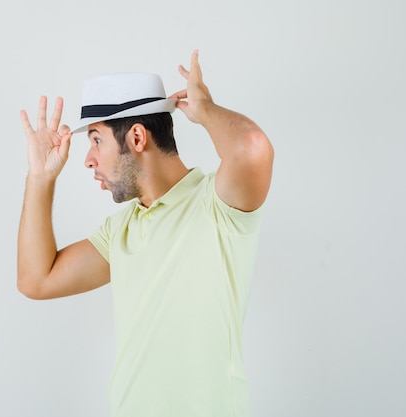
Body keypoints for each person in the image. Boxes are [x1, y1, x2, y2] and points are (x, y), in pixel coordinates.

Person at [18, 50, 274, 417]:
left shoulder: (218, 205)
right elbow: (36, 280)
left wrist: (203, 111)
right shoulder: (120, 230)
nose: (87, 160)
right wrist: (39, 178)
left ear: (137, 137)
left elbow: (251, 147)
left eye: (95, 140)